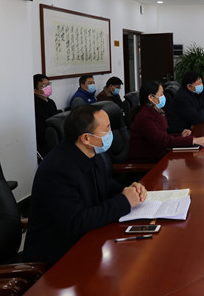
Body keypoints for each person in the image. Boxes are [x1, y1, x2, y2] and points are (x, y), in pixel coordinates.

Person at [24, 105, 147, 264]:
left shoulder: (90, 153)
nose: (111, 133)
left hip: (88, 239)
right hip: (59, 257)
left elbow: (106, 185)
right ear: (86, 138)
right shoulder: (57, 170)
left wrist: (129, 190)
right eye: (107, 129)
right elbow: (77, 221)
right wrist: (124, 201)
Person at [128, 81, 204, 162]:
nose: (163, 97)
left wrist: (180, 135)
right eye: (161, 94)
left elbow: (162, 136)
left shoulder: (153, 112)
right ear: (151, 97)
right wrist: (192, 140)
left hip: (158, 157)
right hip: (147, 163)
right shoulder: (145, 117)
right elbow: (162, 141)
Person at [33, 74, 60, 158]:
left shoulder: (51, 102)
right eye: (43, 86)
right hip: (44, 143)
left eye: (48, 84)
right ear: (35, 91)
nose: (48, 87)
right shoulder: (34, 105)